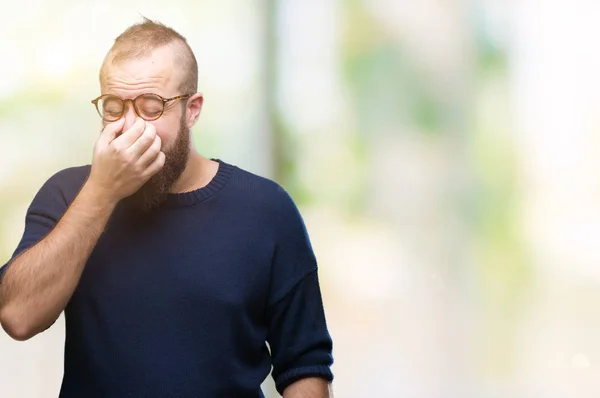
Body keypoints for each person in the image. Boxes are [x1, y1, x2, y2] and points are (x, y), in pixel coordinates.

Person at [0, 18, 334, 397]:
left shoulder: (267, 210)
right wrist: (102, 192)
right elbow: (18, 317)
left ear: (192, 110)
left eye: (150, 107)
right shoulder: (67, 194)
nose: (129, 127)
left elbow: (304, 366)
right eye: (113, 107)